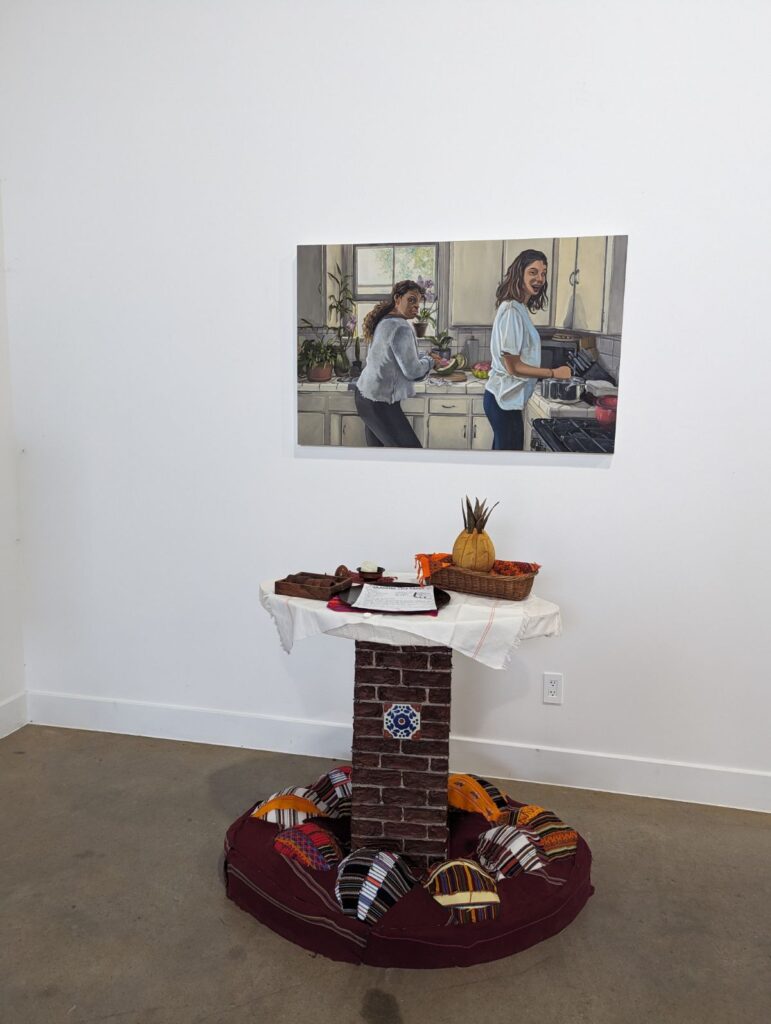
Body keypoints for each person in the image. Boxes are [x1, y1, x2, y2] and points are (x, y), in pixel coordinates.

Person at [484, 249, 572, 450]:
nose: (540, 278)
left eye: (543, 273)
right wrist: (553, 373)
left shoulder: (519, 308)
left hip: (508, 399)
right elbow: (513, 367)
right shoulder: (511, 311)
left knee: (501, 458)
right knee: (507, 461)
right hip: (502, 400)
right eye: (533, 272)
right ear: (519, 274)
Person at [355, 280, 443, 447]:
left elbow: (396, 356)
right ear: (397, 298)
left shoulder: (386, 321)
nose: (417, 306)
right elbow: (413, 371)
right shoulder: (402, 327)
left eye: (418, 301)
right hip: (379, 403)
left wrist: (426, 357)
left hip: (365, 398)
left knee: (381, 460)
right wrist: (430, 361)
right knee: (412, 456)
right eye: (411, 300)